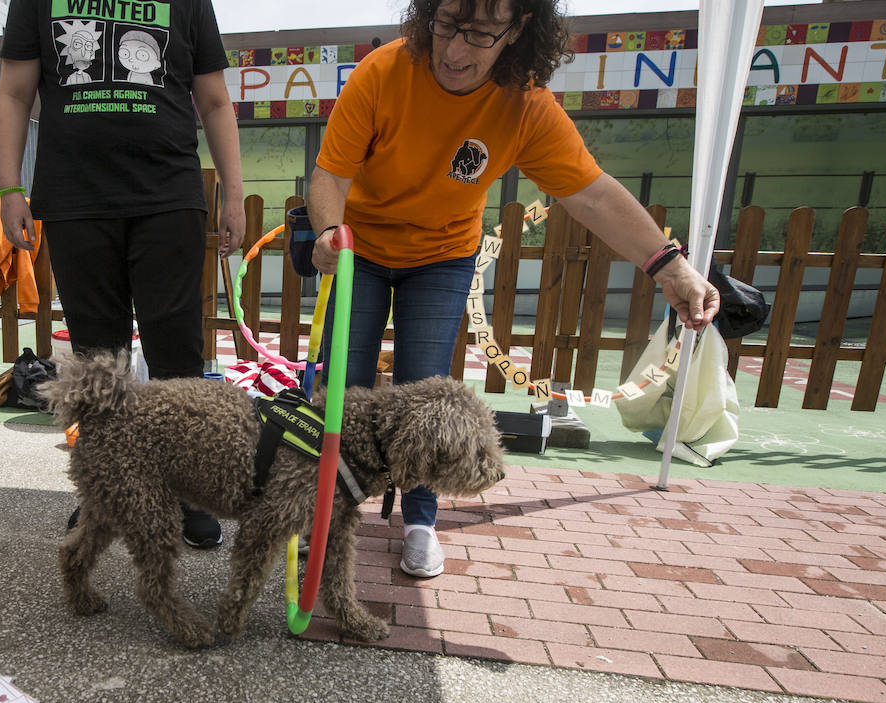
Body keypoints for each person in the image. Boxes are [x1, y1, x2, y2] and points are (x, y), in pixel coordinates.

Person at [308, 0, 719, 578]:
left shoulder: (525, 104)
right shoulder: (383, 72)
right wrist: (330, 235)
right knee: (343, 393)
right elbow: (331, 173)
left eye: (478, 34)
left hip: (442, 255)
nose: (454, 50)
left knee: (429, 393)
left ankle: (420, 520)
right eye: (446, 24)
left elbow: (592, 194)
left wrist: (671, 268)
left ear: (518, 29)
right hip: (361, 250)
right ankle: (325, 515)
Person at [0, 0, 245, 549]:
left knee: (177, 350)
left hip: (168, 194)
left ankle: (186, 492)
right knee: (96, 360)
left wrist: (234, 193)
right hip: (76, 197)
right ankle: (104, 492)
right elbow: (14, 93)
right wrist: (10, 187)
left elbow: (216, 100)